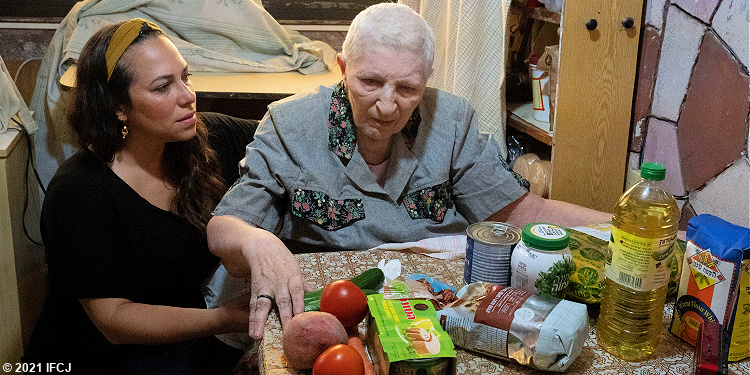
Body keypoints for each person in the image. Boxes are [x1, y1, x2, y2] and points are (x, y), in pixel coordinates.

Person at [207, 3, 612, 341]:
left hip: (432, 306)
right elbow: (223, 228)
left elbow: (525, 214)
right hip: (333, 311)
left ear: (426, 81)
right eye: (370, 82)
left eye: (407, 90)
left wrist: (626, 227)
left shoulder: (452, 121)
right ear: (343, 68)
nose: (387, 106)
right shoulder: (288, 125)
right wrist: (256, 240)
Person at [24, 19, 254, 374]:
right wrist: (225, 318)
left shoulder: (207, 139)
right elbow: (115, 320)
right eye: (163, 87)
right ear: (118, 107)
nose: (187, 95)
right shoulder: (79, 193)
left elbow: (285, 130)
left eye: (185, 77)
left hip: (181, 343)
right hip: (96, 359)